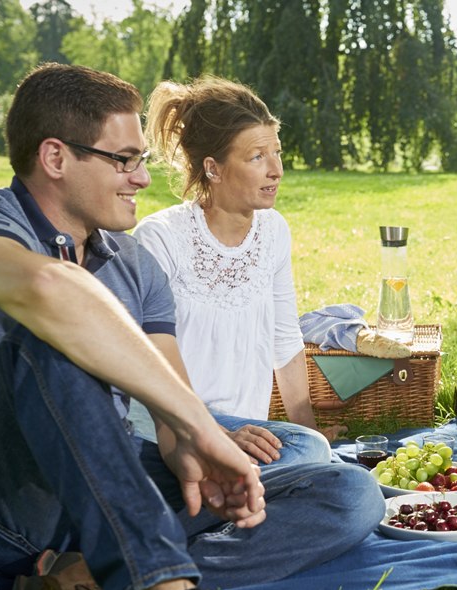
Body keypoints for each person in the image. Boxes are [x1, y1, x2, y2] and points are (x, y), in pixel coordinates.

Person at [0, 63, 382, 590]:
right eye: (124, 161)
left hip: (112, 478)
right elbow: (48, 292)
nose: (141, 178)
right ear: (55, 157)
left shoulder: (132, 261)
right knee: (56, 338)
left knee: (350, 492)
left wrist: (192, 442)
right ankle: (161, 585)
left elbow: (169, 403)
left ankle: (88, 577)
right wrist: (202, 428)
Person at [124, 77, 342, 460]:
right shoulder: (160, 238)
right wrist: (213, 432)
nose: (276, 170)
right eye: (257, 157)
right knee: (323, 476)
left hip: (250, 433)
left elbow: (285, 337)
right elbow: (140, 362)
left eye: (277, 152)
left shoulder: (274, 231)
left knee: (324, 463)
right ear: (214, 168)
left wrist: (308, 430)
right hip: (168, 430)